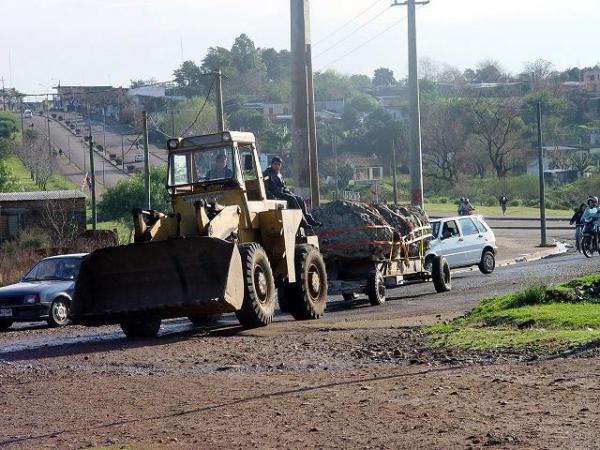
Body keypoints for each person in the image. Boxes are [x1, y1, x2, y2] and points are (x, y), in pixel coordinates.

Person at [263, 157, 320, 227]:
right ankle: (302, 222)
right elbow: (265, 188)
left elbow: (284, 187)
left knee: (300, 199)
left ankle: (311, 221)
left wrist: (290, 193)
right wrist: (272, 196)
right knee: (292, 199)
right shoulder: (267, 173)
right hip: (275, 194)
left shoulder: (279, 174)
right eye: (275, 164)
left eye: (279, 164)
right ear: (271, 164)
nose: (277, 166)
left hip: (282, 193)